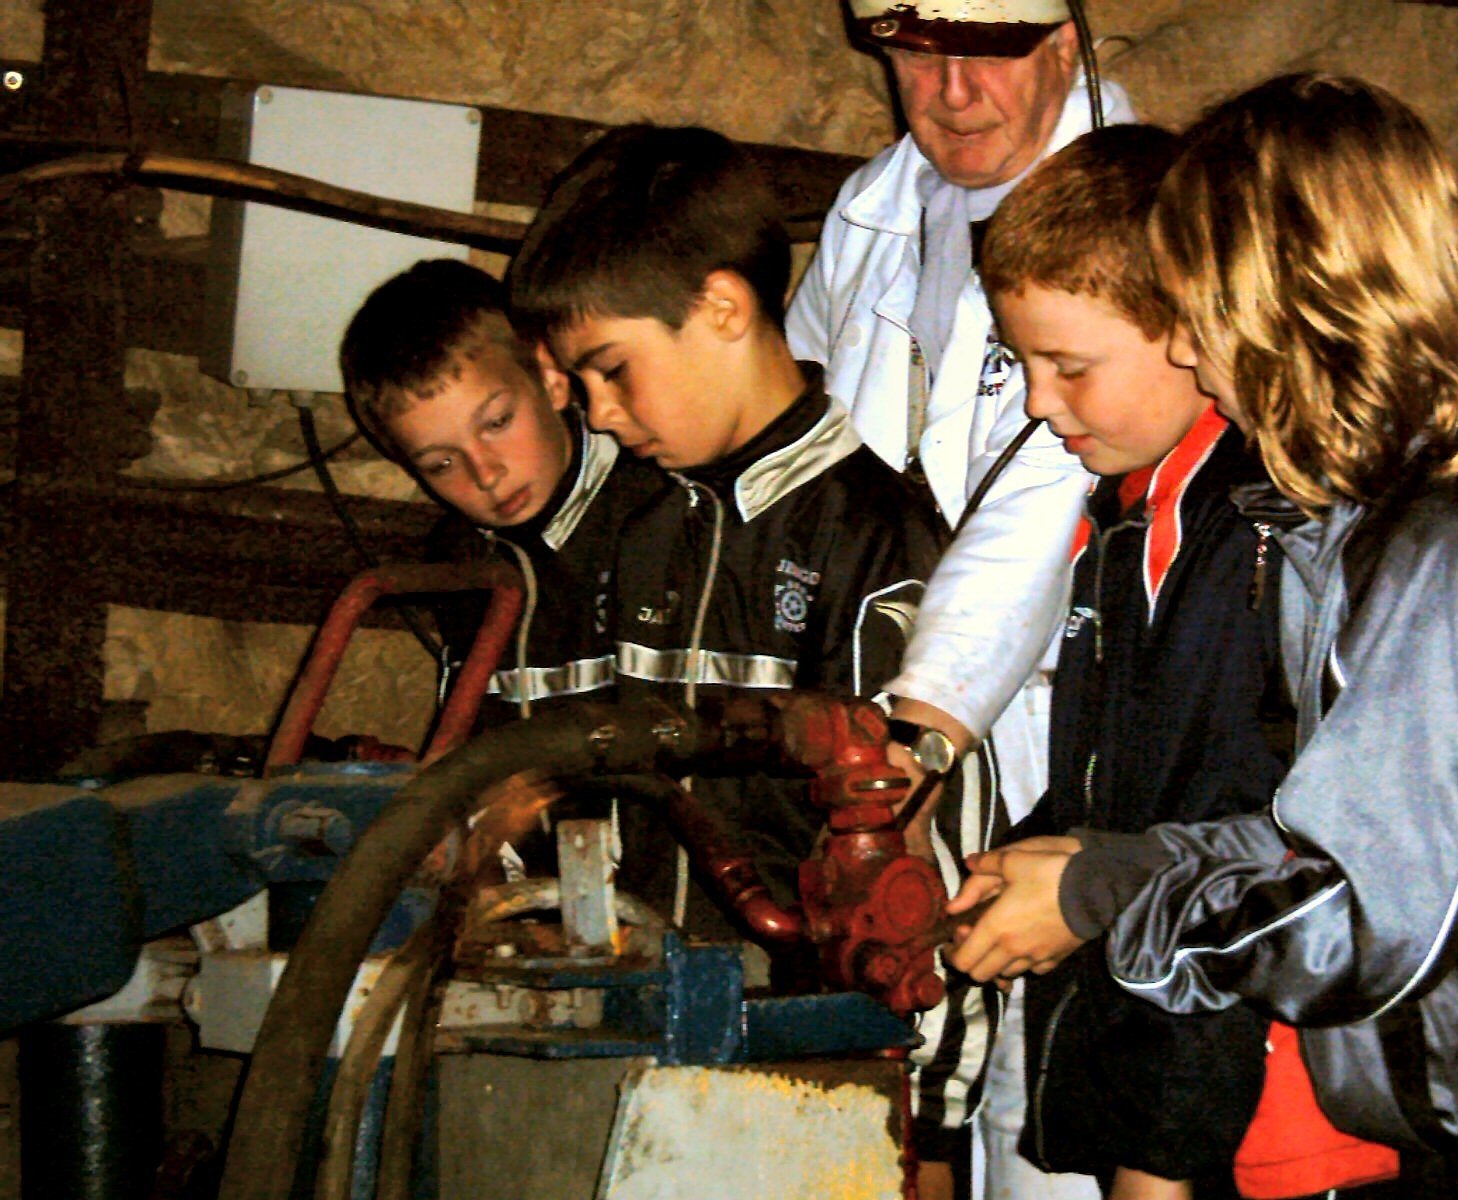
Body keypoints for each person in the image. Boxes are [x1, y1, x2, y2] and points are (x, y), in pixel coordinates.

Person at [950, 74, 1458, 1200]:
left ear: (1293, 305)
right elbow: (1327, 836)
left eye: (1201, 318)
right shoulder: (1352, 525)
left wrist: (1107, 897)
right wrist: (1114, 862)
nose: (1195, 361)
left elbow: (1361, 918)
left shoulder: (1451, 545)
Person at [505, 123, 1003, 1174]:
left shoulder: (874, 541)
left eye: (611, 370)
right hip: (603, 1060)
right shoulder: (613, 533)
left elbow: (926, 880)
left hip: (802, 1096)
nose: (595, 413)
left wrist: (927, 1127)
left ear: (723, 308)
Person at [789, 7, 1129, 1194]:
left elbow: (1048, 500)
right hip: (888, 737)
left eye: (987, 51)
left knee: (1045, 1128)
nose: (951, 89)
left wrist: (918, 721)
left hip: (1046, 732)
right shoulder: (870, 214)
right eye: (915, 53)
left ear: (1068, 44)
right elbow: (814, 452)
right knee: (904, 1103)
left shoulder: (1137, 215)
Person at [971, 122, 1284, 1200]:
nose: (1037, 402)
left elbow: (1240, 841)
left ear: (1190, 328)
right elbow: (1127, 796)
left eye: (1070, 366)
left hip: (1244, 1120)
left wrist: (1158, 1161)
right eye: (1024, 364)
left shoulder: (1249, 536)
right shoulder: (1129, 520)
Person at [339, 258, 669, 723]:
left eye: (497, 422)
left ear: (551, 378)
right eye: (442, 463)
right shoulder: (461, 559)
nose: (485, 474)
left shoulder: (661, 508)